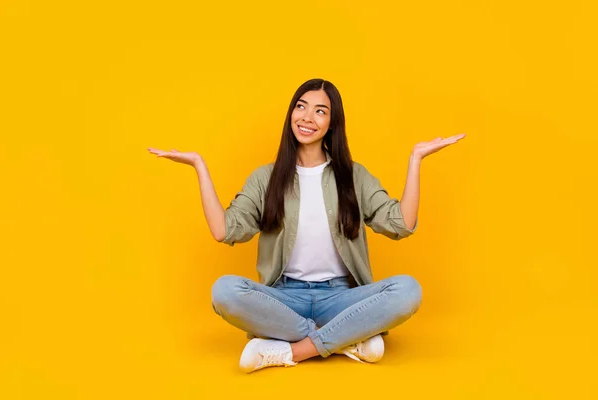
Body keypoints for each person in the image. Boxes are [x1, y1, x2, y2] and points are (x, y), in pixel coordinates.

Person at [148, 78, 466, 373]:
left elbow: (402, 224)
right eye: (300, 106)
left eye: (320, 111)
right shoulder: (265, 178)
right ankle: (345, 340)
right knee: (225, 291)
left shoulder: (353, 176)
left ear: (332, 123)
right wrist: (199, 167)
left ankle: (292, 351)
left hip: (342, 298)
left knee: (408, 290)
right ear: (291, 114)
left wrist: (415, 160)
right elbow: (224, 230)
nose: (307, 117)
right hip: (285, 299)